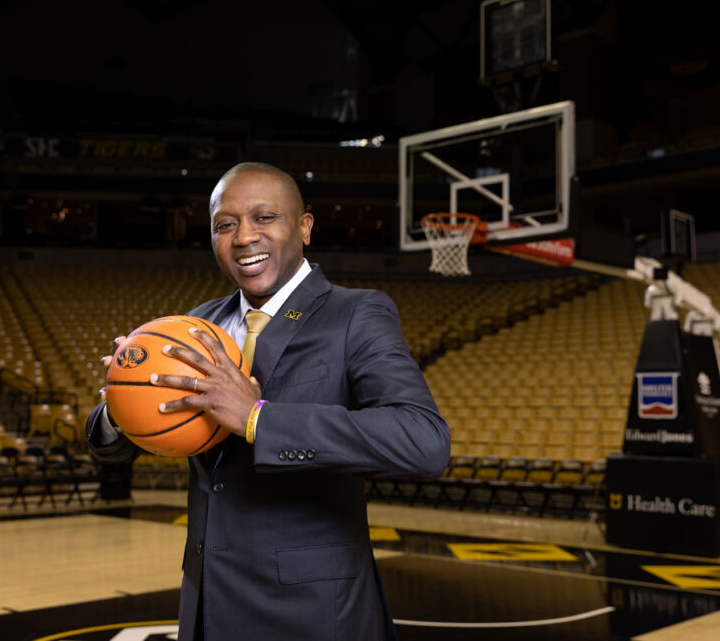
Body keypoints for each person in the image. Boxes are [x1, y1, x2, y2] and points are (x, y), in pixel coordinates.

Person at [85, 161, 451, 641]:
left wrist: (258, 419)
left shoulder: (356, 313)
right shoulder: (195, 324)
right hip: (208, 601)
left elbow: (424, 442)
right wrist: (122, 403)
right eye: (226, 224)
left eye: (264, 217)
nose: (243, 237)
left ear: (304, 227)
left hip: (313, 611)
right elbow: (117, 444)